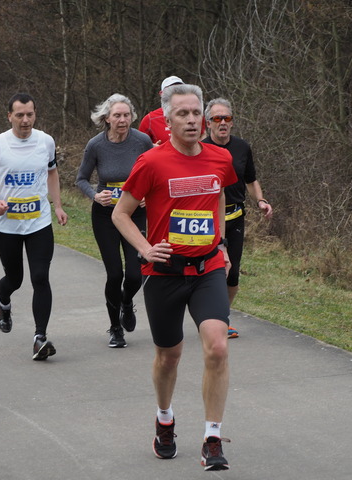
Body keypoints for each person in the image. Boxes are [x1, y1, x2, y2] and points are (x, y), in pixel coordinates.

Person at [112, 83, 237, 471]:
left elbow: (217, 195)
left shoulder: (219, 158)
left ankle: (212, 438)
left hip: (207, 269)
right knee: (170, 356)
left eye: (196, 113)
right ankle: (165, 419)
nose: (191, 120)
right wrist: (146, 249)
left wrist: (221, 242)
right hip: (163, 272)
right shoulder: (151, 162)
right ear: (166, 120)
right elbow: (121, 213)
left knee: (217, 346)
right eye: (182, 113)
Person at [0, 93, 68, 361]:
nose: (25, 120)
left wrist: (57, 205)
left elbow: (51, 172)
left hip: (39, 222)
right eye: (19, 115)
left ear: (35, 115)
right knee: (15, 279)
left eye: (30, 114)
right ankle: (3, 301)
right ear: (9, 116)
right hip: (8, 226)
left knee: (40, 277)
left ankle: (40, 337)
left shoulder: (45, 141)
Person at [75, 94, 153, 348]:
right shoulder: (96, 145)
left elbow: (157, 172)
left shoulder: (142, 141)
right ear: (106, 118)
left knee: (134, 272)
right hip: (106, 216)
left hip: (134, 214)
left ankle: (127, 302)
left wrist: (148, 196)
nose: (122, 120)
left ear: (132, 117)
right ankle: (115, 328)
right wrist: (96, 196)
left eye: (126, 115)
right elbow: (82, 179)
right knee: (114, 273)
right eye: (117, 115)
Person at [202, 98, 273, 339]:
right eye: (217, 119)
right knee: (212, 271)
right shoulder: (200, 148)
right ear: (208, 123)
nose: (223, 123)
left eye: (227, 118)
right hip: (208, 219)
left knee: (232, 274)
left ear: (232, 122)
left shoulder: (242, 147)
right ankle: (213, 321)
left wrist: (261, 201)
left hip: (236, 216)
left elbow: (251, 179)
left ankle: (223, 316)